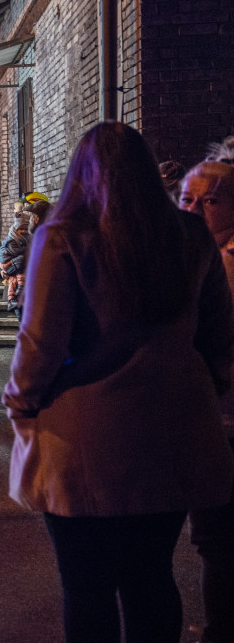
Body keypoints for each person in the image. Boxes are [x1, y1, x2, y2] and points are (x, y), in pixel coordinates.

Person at [5, 122, 234, 643]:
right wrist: (198, 393)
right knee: (151, 576)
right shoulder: (191, 235)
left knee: (87, 587)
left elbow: (40, 344)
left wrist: (20, 405)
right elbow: (220, 341)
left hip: (85, 440)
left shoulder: (62, 237)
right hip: (176, 433)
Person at [179, 141, 234, 643]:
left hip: (226, 420)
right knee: (214, 541)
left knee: (221, 541)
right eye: (187, 200)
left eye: (210, 200)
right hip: (208, 421)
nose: (194, 210)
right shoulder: (194, 261)